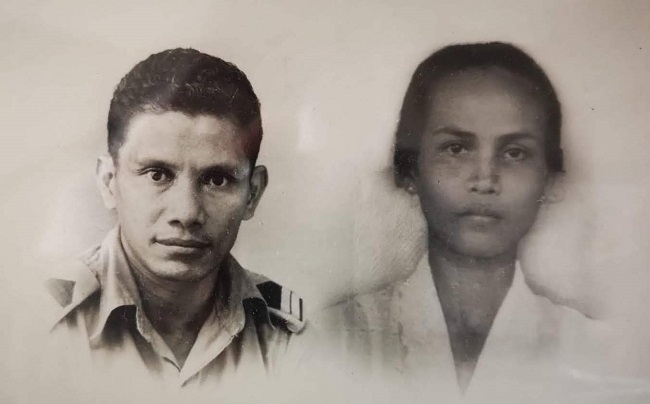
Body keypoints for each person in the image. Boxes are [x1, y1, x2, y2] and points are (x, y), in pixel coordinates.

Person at [324, 42, 596, 402]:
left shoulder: (594, 350)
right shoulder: (332, 337)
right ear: (410, 170)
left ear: (549, 179)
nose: (485, 180)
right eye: (456, 148)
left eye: (515, 153)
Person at [42, 48, 307, 396]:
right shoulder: (39, 323)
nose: (187, 213)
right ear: (109, 182)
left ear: (253, 193)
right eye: (157, 174)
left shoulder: (291, 339)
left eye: (217, 180)